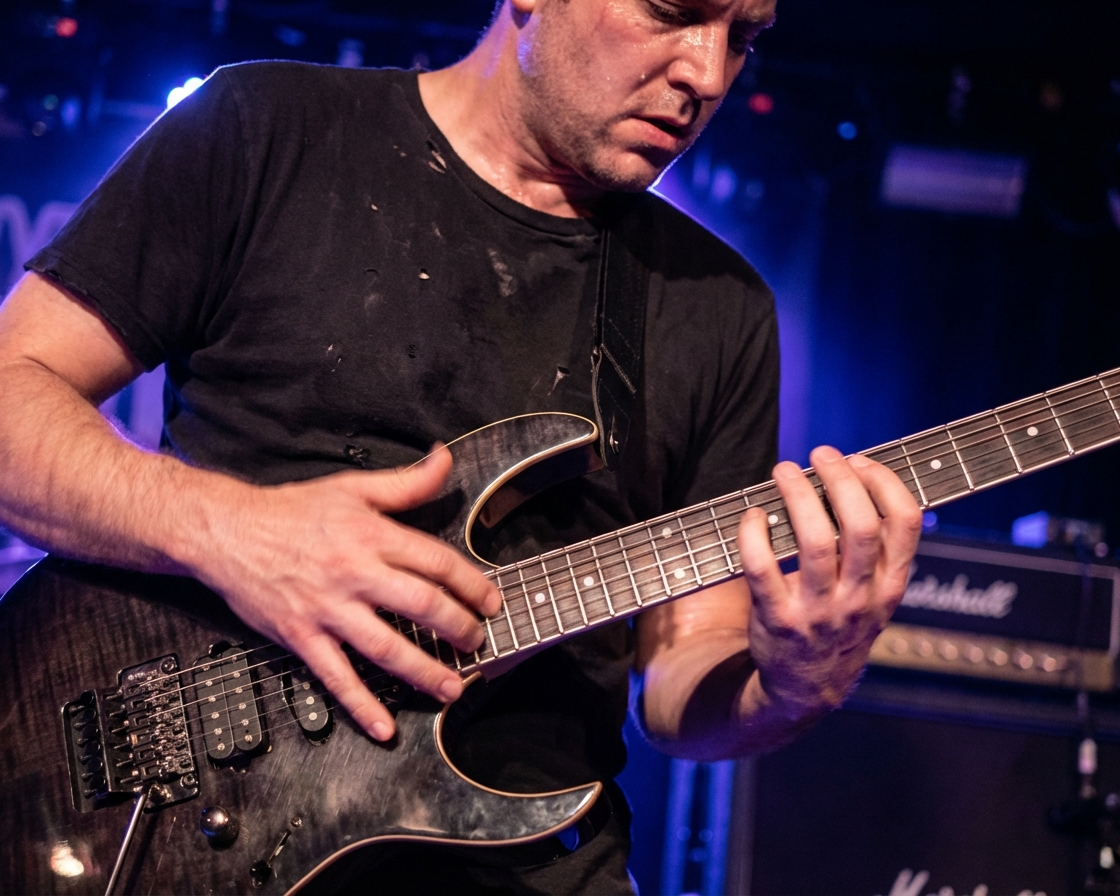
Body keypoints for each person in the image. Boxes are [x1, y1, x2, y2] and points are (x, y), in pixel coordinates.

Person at [0, 0, 921, 891]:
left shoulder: (721, 307)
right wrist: (234, 531)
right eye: (674, 11)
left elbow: (683, 681)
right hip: (186, 820)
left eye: (744, 39)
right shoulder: (265, 129)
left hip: (532, 867)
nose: (706, 74)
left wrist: (798, 683)